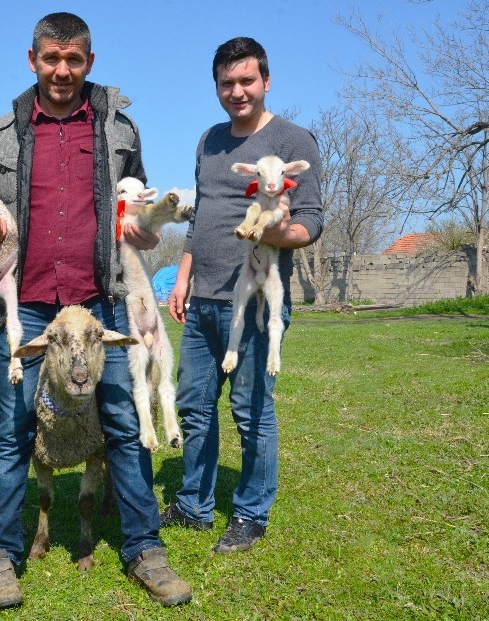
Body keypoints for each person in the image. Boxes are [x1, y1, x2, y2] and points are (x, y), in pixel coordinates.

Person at [0, 12, 192, 610]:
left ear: (89, 62)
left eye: (74, 60)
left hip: (102, 304)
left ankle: (145, 550)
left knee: (123, 422)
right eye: (51, 59)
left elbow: (135, 209)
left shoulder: (121, 129)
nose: (62, 71)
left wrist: (144, 227)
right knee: (12, 429)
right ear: (33, 60)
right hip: (30, 308)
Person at [163, 37, 323, 553]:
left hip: (254, 301)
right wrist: (183, 275)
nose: (237, 92)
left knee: (252, 409)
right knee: (194, 405)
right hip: (204, 297)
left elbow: (311, 223)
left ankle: (251, 513)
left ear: (266, 81)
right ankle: (194, 504)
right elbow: (201, 218)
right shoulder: (209, 141)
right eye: (227, 83)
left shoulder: (295, 140)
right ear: (216, 87)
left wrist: (268, 233)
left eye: (246, 81)